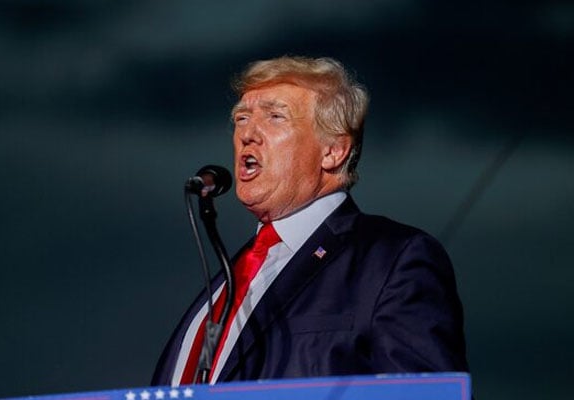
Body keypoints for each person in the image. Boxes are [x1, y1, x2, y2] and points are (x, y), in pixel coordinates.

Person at [152, 56, 468, 386]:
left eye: (275, 117)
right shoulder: (230, 278)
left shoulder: (391, 260)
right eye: (241, 118)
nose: (247, 133)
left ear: (333, 150)